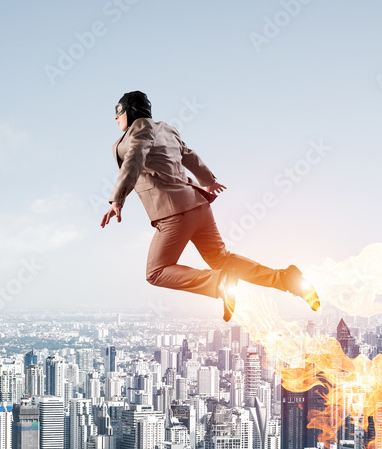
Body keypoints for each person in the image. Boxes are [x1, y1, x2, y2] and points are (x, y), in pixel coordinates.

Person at [100, 91, 320, 321]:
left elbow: (134, 159)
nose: (116, 118)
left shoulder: (140, 129)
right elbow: (188, 155)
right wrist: (209, 181)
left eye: (118, 111)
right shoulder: (167, 129)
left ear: (131, 111)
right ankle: (287, 279)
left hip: (174, 213)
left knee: (156, 272)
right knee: (222, 259)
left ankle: (219, 282)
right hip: (199, 206)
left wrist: (118, 199)